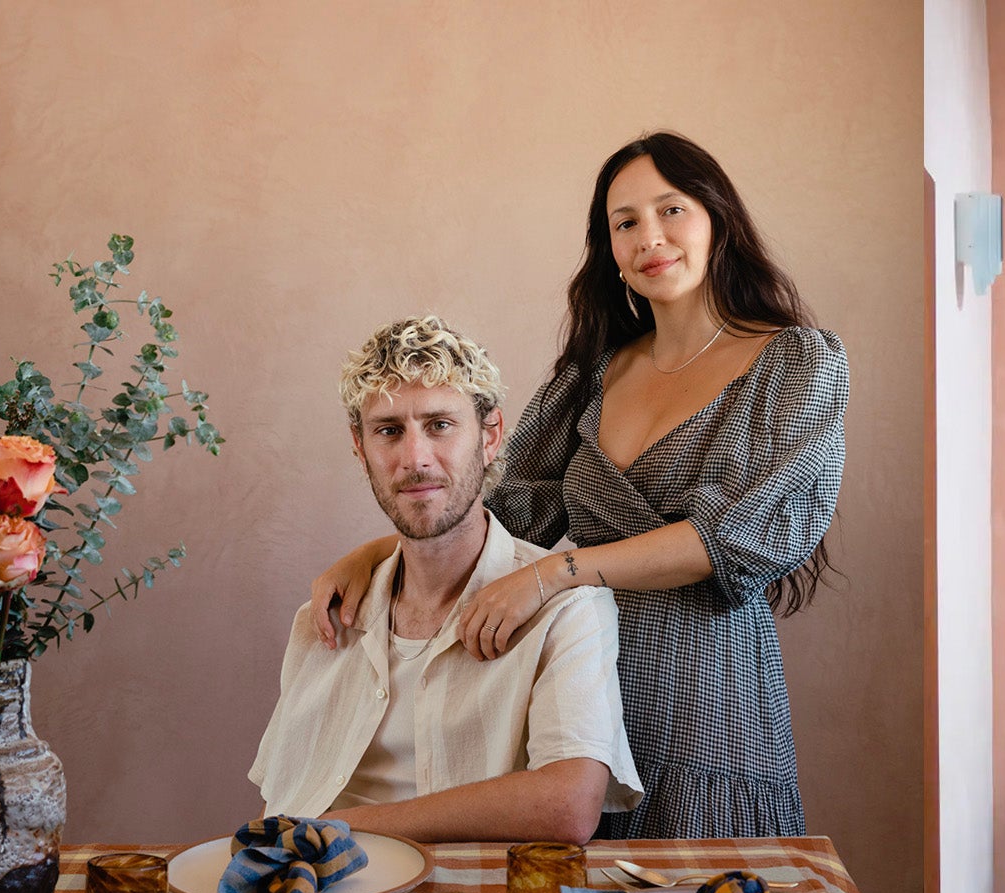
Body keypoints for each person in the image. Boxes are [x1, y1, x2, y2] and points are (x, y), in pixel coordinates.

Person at [309, 132, 847, 839]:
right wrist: (376, 555)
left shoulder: (797, 361)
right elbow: (498, 519)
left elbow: (736, 542)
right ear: (611, 251)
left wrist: (557, 575)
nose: (649, 237)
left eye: (671, 210)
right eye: (625, 223)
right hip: (575, 689)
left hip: (707, 696)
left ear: (718, 219)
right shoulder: (591, 374)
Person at [252, 315, 643, 844]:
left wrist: (344, 830)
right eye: (389, 431)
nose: (415, 459)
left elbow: (568, 808)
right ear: (359, 446)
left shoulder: (567, 612)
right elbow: (281, 797)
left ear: (490, 435)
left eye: (439, 425)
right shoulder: (324, 618)